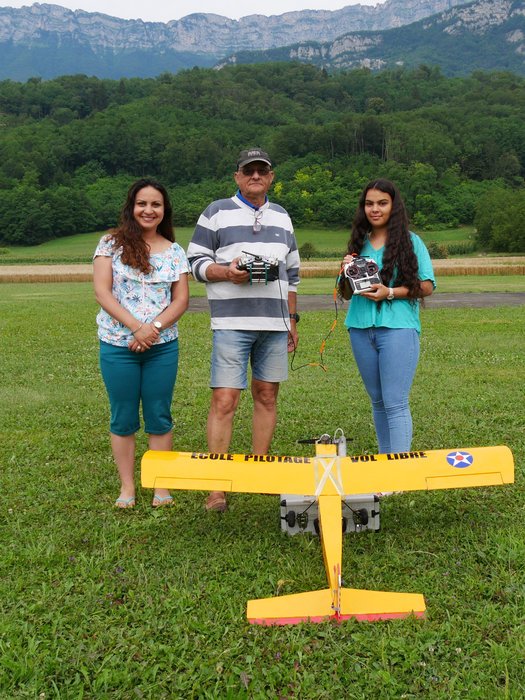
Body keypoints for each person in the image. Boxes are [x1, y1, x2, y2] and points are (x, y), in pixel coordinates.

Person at [187, 148, 300, 512]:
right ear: (237, 176)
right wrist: (227, 272)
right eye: (248, 171)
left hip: (274, 324)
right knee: (225, 400)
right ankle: (217, 487)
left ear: (271, 177)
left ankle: (258, 473)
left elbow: (292, 275)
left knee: (267, 396)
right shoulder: (216, 212)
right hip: (232, 323)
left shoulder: (282, 216)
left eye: (262, 171)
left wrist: (292, 320)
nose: (255, 176)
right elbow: (195, 262)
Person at [93, 178, 189, 508]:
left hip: (162, 348)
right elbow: (102, 292)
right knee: (122, 416)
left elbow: (181, 300)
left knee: (159, 414)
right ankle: (127, 487)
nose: (149, 210)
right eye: (142, 204)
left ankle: (161, 487)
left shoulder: (175, 252)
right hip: (117, 346)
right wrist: (137, 328)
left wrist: (154, 329)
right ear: (131, 207)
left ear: (164, 210)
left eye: (156, 204)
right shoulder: (110, 244)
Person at [341, 178, 435, 454]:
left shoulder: (411, 242)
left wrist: (389, 292)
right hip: (360, 328)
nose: (375, 209)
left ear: (394, 206)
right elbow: (346, 294)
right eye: (369, 203)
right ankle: (385, 462)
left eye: (382, 203)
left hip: (398, 328)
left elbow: (427, 286)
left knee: (395, 401)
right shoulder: (358, 243)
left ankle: (399, 468)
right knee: (378, 401)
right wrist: (345, 272)